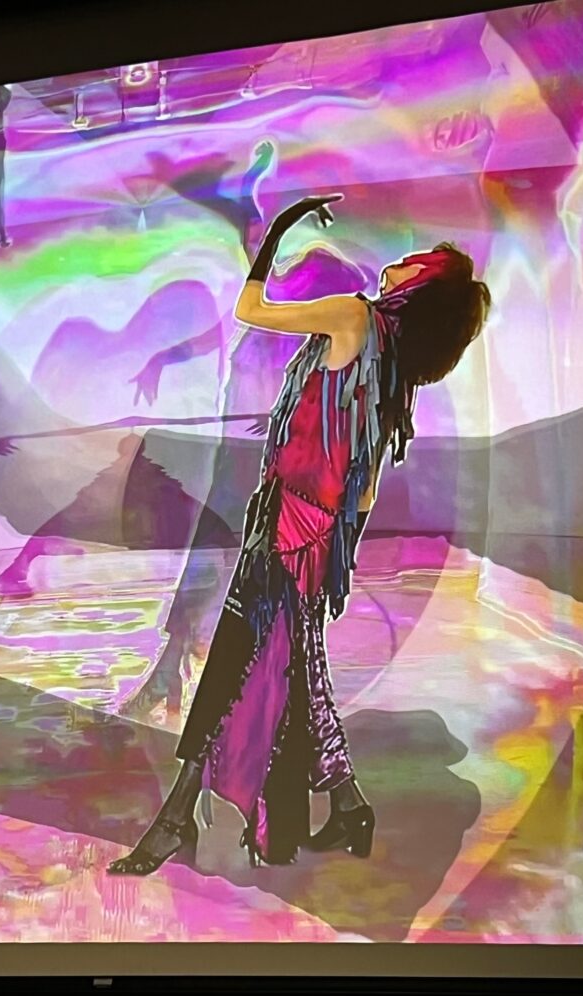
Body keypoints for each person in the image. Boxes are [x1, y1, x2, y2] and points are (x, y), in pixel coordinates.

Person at [107, 193, 491, 874]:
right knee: (294, 665)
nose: (400, 263)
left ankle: (177, 819)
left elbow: (250, 309)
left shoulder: (353, 317)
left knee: (240, 664)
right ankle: (346, 803)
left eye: (416, 263)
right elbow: (365, 480)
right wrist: (334, 547)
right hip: (309, 532)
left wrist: (284, 224)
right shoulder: (392, 361)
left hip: (286, 529)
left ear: (422, 286)